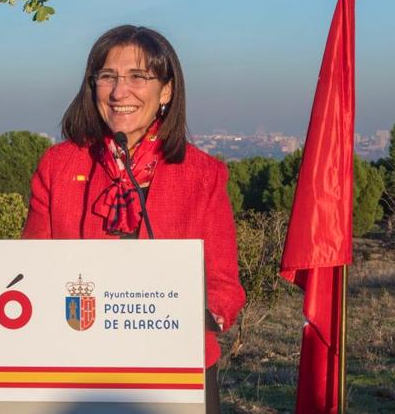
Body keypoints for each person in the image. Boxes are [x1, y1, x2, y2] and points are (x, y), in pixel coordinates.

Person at [22, 25, 245, 413]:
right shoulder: (58, 166)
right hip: (78, 370)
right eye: (107, 76)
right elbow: (32, 269)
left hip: (176, 370)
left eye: (138, 77)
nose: (119, 92)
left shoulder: (204, 175)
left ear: (167, 91)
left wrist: (188, 314)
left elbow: (224, 286)